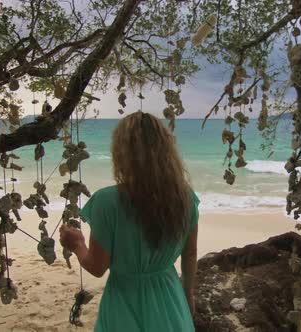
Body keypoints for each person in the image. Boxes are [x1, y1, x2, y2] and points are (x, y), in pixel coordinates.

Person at [60, 111, 199, 331]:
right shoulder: (185, 198)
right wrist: (188, 294)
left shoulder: (107, 202)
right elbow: (190, 254)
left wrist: (77, 245)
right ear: (166, 152)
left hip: (124, 300)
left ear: (121, 153)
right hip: (169, 297)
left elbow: (97, 267)